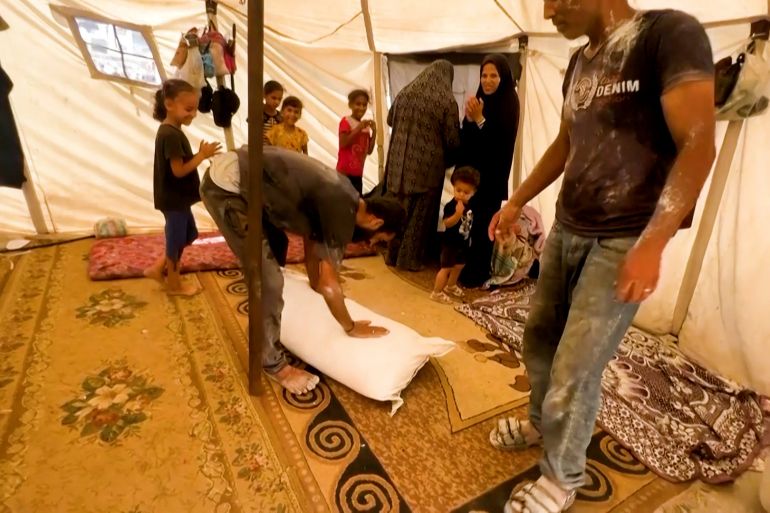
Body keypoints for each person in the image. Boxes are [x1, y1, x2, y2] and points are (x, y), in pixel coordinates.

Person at [487, 2, 716, 512]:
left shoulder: (666, 35)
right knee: (540, 340)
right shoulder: (578, 61)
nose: (548, 10)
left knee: (576, 366)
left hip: (623, 238)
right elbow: (565, 143)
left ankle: (562, 476)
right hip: (569, 226)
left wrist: (652, 243)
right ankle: (540, 423)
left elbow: (699, 144)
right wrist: (517, 200)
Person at [200, 146, 407, 395]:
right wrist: (350, 327)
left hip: (246, 179)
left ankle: (263, 322)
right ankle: (272, 364)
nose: (372, 244)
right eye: (380, 239)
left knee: (278, 244)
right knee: (269, 279)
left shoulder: (345, 197)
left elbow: (312, 238)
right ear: (376, 222)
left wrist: (314, 284)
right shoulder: (343, 213)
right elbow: (330, 286)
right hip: (227, 189)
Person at [144, 79, 221, 296]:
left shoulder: (173, 131)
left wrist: (199, 156)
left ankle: (158, 268)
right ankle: (174, 285)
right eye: (188, 109)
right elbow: (178, 171)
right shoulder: (169, 134)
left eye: (195, 109)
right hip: (173, 199)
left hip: (178, 199)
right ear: (169, 104)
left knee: (189, 234)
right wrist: (201, 156)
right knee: (175, 240)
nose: (193, 114)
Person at [384, 59, 461, 271]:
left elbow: (390, 119)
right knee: (418, 217)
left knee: (398, 212)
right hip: (426, 169)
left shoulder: (405, 93)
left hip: (398, 165)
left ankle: (392, 255)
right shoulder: (446, 100)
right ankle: (409, 260)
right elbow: (453, 140)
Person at [457, 54, 520, 288]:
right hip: (474, 176)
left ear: (503, 78)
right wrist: (469, 119)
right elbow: (469, 139)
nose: (487, 80)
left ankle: (478, 272)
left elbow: (498, 144)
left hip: (492, 177)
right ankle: (465, 266)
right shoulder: (481, 100)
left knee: (485, 226)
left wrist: (480, 119)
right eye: (484, 75)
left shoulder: (509, 103)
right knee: (469, 223)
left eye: (494, 75)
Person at [431, 166, 480, 304]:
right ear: (453, 187)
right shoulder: (451, 205)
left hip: (462, 242)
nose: (461, 194)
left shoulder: (470, 206)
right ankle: (436, 292)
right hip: (450, 243)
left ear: (473, 192)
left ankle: (451, 285)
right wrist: (457, 214)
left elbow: (469, 223)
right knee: (446, 268)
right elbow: (447, 223)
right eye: (458, 190)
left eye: (466, 192)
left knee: (459, 265)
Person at [336, 89, 376, 195]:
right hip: (344, 174)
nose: (361, 108)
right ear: (350, 105)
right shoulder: (346, 121)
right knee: (344, 201)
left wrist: (374, 132)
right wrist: (358, 128)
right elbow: (343, 143)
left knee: (356, 202)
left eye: (364, 105)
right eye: (358, 104)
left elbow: (369, 151)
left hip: (358, 175)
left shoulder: (365, 127)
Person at [263, 80, 284, 145]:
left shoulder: (281, 117)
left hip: (275, 149)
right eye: (274, 98)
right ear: (264, 95)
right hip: (259, 149)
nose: (277, 102)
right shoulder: (258, 113)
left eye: (279, 99)